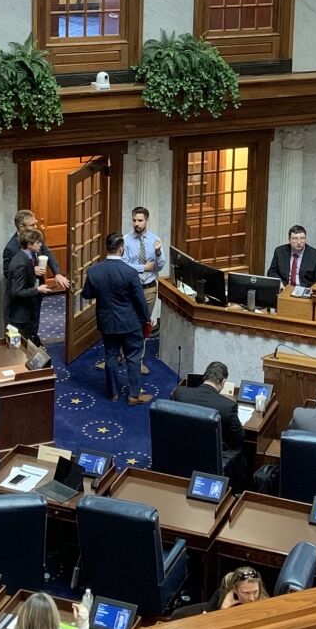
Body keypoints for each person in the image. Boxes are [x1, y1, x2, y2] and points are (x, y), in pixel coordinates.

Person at [81, 231, 152, 405]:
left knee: (110, 356)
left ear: (107, 248)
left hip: (107, 322)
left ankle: (112, 393)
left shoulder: (94, 271)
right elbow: (140, 300)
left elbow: (86, 294)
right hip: (130, 323)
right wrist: (147, 319)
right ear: (121, 249)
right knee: (133, 357)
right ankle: (133, 395)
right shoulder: (129, 272)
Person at [173, 359, 245, 484]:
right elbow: (239, 437)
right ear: (223, 382)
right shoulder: (228, 406)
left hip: (181, 448)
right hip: (211, 456)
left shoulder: (180, 394)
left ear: (204, 377)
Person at [121, 205, 165, 376]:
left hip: (149, 289)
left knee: (143, 325)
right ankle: (123, 354)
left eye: (140, 221)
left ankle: (138, 359)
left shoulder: (155, 240)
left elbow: (159, 266)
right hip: (131, 288)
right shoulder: (125, 240)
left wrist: (158, 253)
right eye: (134, 220)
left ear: (147, 221)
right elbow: (124, 265)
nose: (136, 224)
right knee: (128, 322)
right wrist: (143, 267)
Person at [6, 228, 58, 344]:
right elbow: (16, 292)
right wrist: (37, 289)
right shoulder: (20, 262)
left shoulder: (28, 257)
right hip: (20, 315)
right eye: (38, 242)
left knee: (29, 343)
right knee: (20, 348)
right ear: (29, 244)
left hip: (28, 310)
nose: (41, 245)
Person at [2, 210, 70, 289]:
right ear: (21, 227)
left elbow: (47, 253)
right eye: (32, 225)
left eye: (35, 224)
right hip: (23, 292)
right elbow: (9, 274)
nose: (35, 227)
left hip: (39, 286)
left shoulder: (35, 236)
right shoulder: (11, 248)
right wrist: (31, 271)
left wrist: (57, 273)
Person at [171, 565, 269, 617]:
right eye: (246, 593)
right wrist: (224, 608)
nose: (252, 598)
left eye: (255, 592)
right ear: (235, 590)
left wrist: (224, 612)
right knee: (178, 614)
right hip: (217, 616)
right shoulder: (225, 590)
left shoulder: (265, 602)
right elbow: (205, 616)